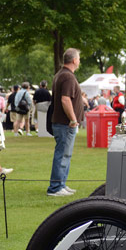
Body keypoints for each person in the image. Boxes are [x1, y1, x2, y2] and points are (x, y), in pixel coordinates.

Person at [48, 48, 84, 197]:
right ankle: (56, 187)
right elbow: (65, 99)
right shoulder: (68, 77)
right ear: (74, 60)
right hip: (65, 123)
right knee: (63, 154)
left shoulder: (61, 74)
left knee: (65, 154)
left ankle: (61, 183)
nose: (79, 61)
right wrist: (73, 119)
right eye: (79, 59)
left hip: (62, 122)